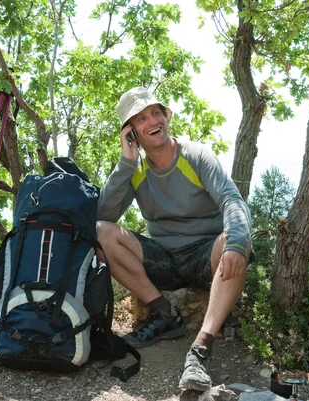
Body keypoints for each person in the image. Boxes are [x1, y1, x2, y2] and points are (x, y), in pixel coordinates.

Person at [96, 86, 252, 391]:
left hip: (205, 254)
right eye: (140, 118)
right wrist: (126, 163)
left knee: (238, 240)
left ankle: (200, 349)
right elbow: (104, 216)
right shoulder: (135, 170)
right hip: (163, 258)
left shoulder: (196, 155)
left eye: (155, 112)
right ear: (131, 133)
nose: (152, 120)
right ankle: (164, 313)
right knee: (101, 233)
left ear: (166, 117)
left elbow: (232, 200)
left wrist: (234, 243)